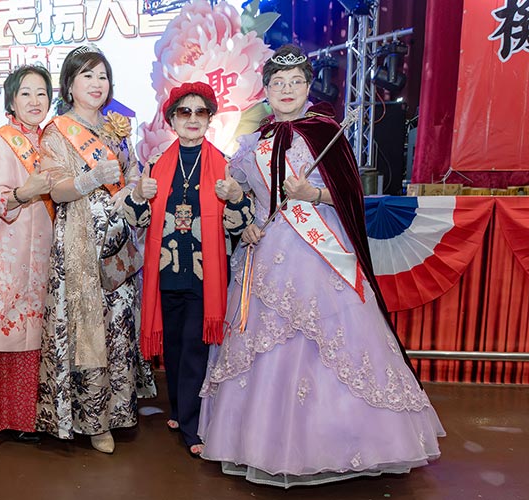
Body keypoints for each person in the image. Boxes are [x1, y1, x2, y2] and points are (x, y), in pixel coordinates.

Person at [198, 44, 444, 487]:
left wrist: (313, 195)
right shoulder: (253, 143)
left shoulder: (325, 132)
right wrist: (242, 217)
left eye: (296, 82)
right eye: (278, 83)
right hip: (266, 254)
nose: (286, 89)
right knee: (266, 348)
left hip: (320, 253)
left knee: (331, 342)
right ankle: (262, 442)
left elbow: (351, 195)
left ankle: (344, 441)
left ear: (308, 87)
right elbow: (247, 198)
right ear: (265, 90)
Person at [36, 45, 156, 454]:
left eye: (102, 76)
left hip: (118, 239)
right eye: (87, 75)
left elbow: (132, 174)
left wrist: (136, 189)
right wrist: (91, 179)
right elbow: (56, 189)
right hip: (80, 240)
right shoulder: (57, 131)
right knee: (87, 326)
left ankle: (118, 411)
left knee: (118, 320)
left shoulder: (116, 127)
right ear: (69, 85)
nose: (96, 83)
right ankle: (92, 421)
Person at [124, 82, 253, 456]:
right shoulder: (156, 165)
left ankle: (192, 427)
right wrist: (138, 195)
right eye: (184, 112)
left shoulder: (225, 165)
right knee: (175, 347)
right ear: (172, 119)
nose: (192, 119)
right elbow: (137, 219)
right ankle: (180, 411)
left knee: (195, 347)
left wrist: (235, 198)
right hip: (166, 272)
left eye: (201, 112)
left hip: (203, 272)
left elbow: (239, 224)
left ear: (210, 119)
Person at [0, 65, 61, 442]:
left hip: (44, 254)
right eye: (26, 93)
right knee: (7, 338)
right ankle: (7, 418)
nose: (35, 101)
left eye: (42, 93)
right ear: (11, 100)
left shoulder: (52, 141)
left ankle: (32, 417)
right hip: (9, 253)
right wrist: (25, 192)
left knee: (35, 338)